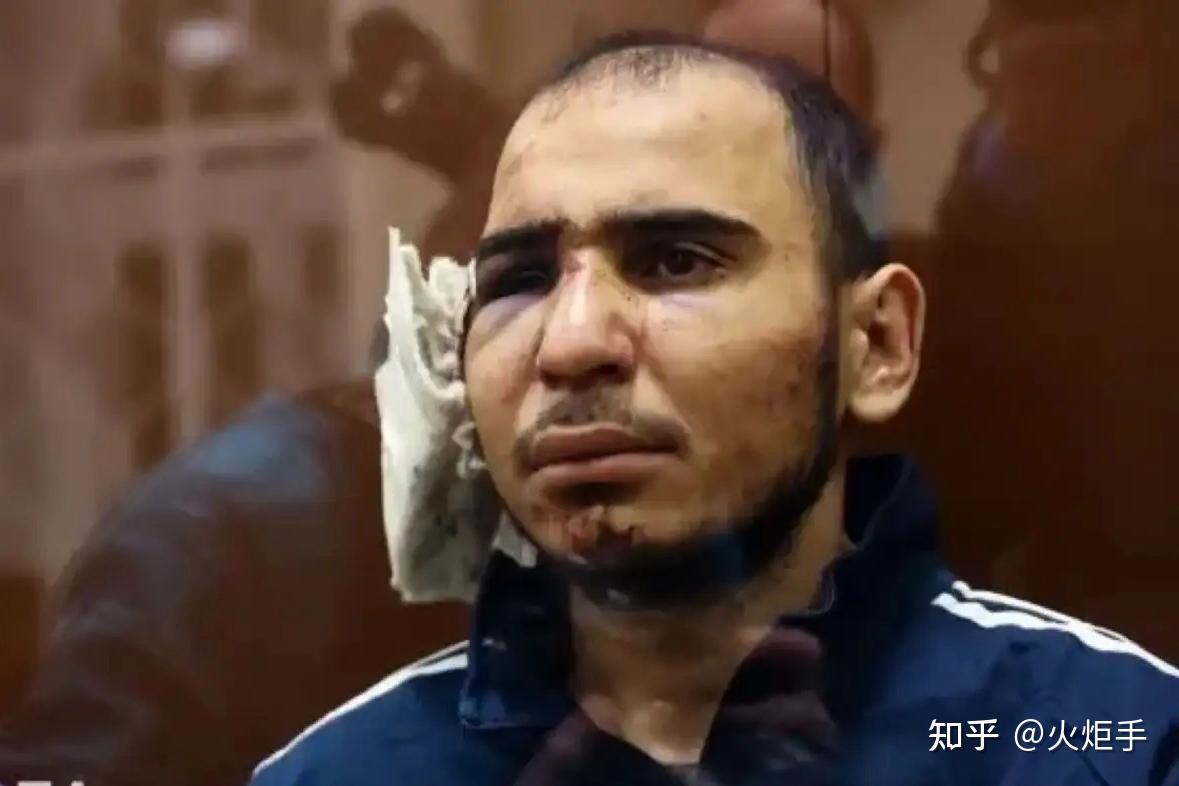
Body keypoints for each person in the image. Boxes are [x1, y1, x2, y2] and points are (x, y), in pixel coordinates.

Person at [250, 31, 1179, 786]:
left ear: (876, 344)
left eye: (675, 261)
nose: (569, 343)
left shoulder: (1107, 742)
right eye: (519, 281)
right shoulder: (338, 775)